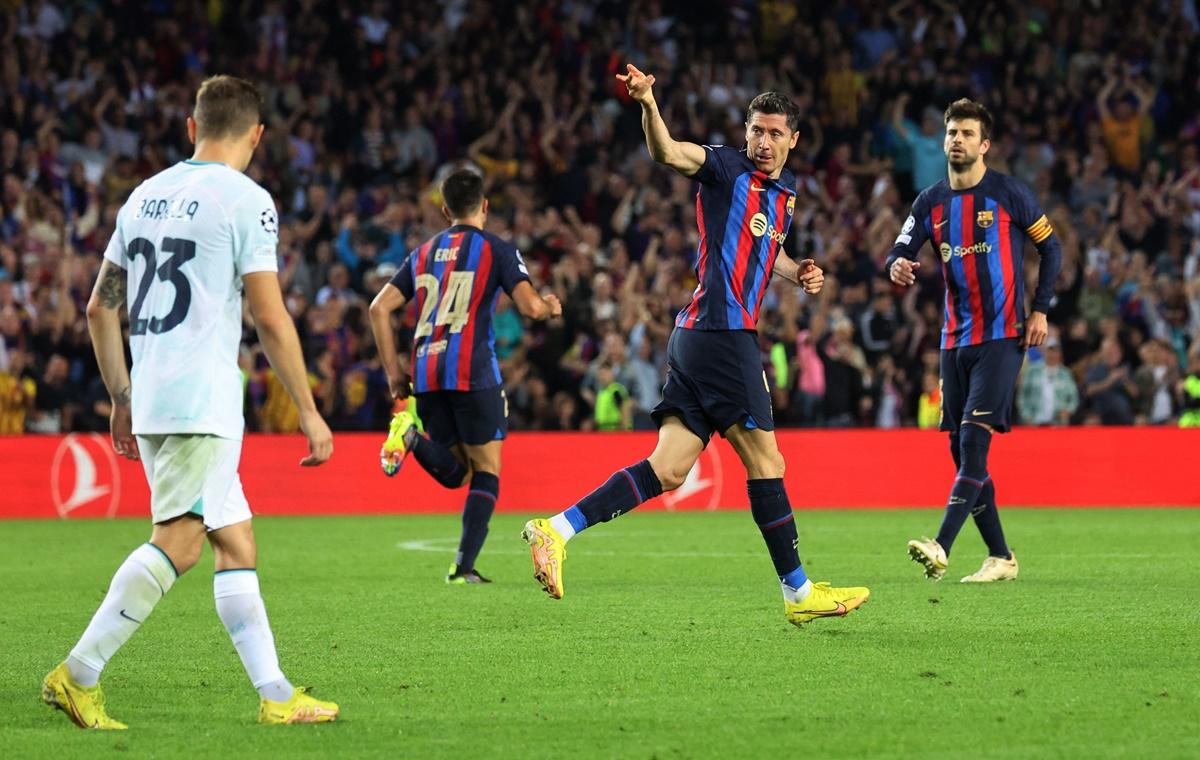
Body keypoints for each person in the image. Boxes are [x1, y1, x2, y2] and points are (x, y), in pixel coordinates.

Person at [521, 64, 870, 628]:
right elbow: (669, 154)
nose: (762, 141)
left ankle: (556, 529)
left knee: (669, 469)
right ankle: (799, 591)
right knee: (768, 460)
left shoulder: (783, 198)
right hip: (722, 335)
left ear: (794, 140)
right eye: (756, 129)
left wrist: (796, 269)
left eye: (775, 133)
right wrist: (648, 104)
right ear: (746, 131)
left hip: (694, 338)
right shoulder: (727, 168)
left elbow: (763, 253)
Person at [41, 76, 339, 729]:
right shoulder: (247, 201)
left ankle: (275, 694)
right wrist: (309, 410)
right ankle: (78, 674)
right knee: (179, 542)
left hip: (151, 391)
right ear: (257, 136)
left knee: (235, 540)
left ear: (190, 127)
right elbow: (268, 312)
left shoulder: (143, 196)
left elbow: (100, 307)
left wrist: (120, 394)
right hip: (200, 400)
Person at [887, 98, 1062, 583]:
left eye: (967, 133)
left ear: (984, 145)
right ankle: (1002, 556)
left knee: (973, 443)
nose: (957, 140)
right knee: (961, 453)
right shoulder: (930, 202)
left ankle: (941, 545)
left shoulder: (1010, 194)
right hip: (953, 341)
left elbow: (1052, 247)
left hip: (1003, 335)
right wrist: (897, 264)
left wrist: (1041, 308)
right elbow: (900, 246)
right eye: (952, 133)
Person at [369, 169, 561, 584]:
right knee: (487, 469)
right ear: (485, 206)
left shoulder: (421, 253)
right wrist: (550, 305)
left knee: (457, 473)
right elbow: (529, 308)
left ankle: (411, 436)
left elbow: (378, 308)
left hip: (425, 370)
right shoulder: (496, 248)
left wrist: (393, 373)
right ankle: (464, 566)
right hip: (471, 368)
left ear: (444, 210)